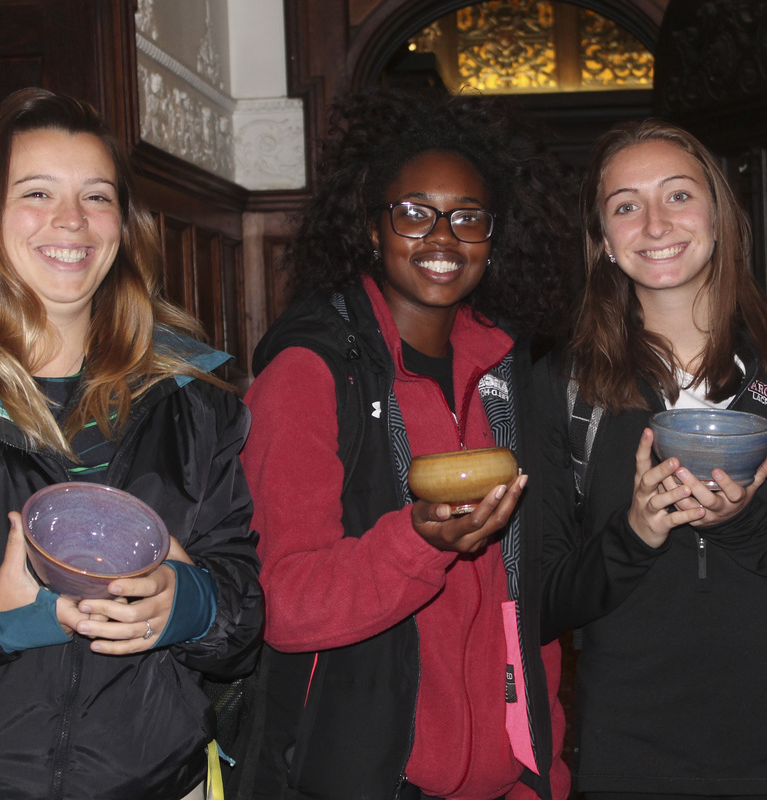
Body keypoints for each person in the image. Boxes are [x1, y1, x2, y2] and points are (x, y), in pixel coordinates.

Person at [535, 118, 767, 799]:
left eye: (677, 195)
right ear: (604, 242)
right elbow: (542, 603)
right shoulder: (565, 388)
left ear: (719, 217)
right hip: (633, 752)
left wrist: (744, 524)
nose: (654, 223)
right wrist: (633, 535)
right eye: (625, 206)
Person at [0, 87, 264, 800]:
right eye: (38, 192)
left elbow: (243, 617)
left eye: (97, 196)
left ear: (125, 222)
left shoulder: (191, 398)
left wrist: (187, 604)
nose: (71, 221)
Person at [240, 90, 575, 800]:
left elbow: (529, 596)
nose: (443, 238)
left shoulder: (512, 370)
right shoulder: (308, 369)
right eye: (415, 213)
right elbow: (284, 603)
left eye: (468, 218)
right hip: (367, 779)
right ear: (370, 227)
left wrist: (541, 769)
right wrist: (421, 544)